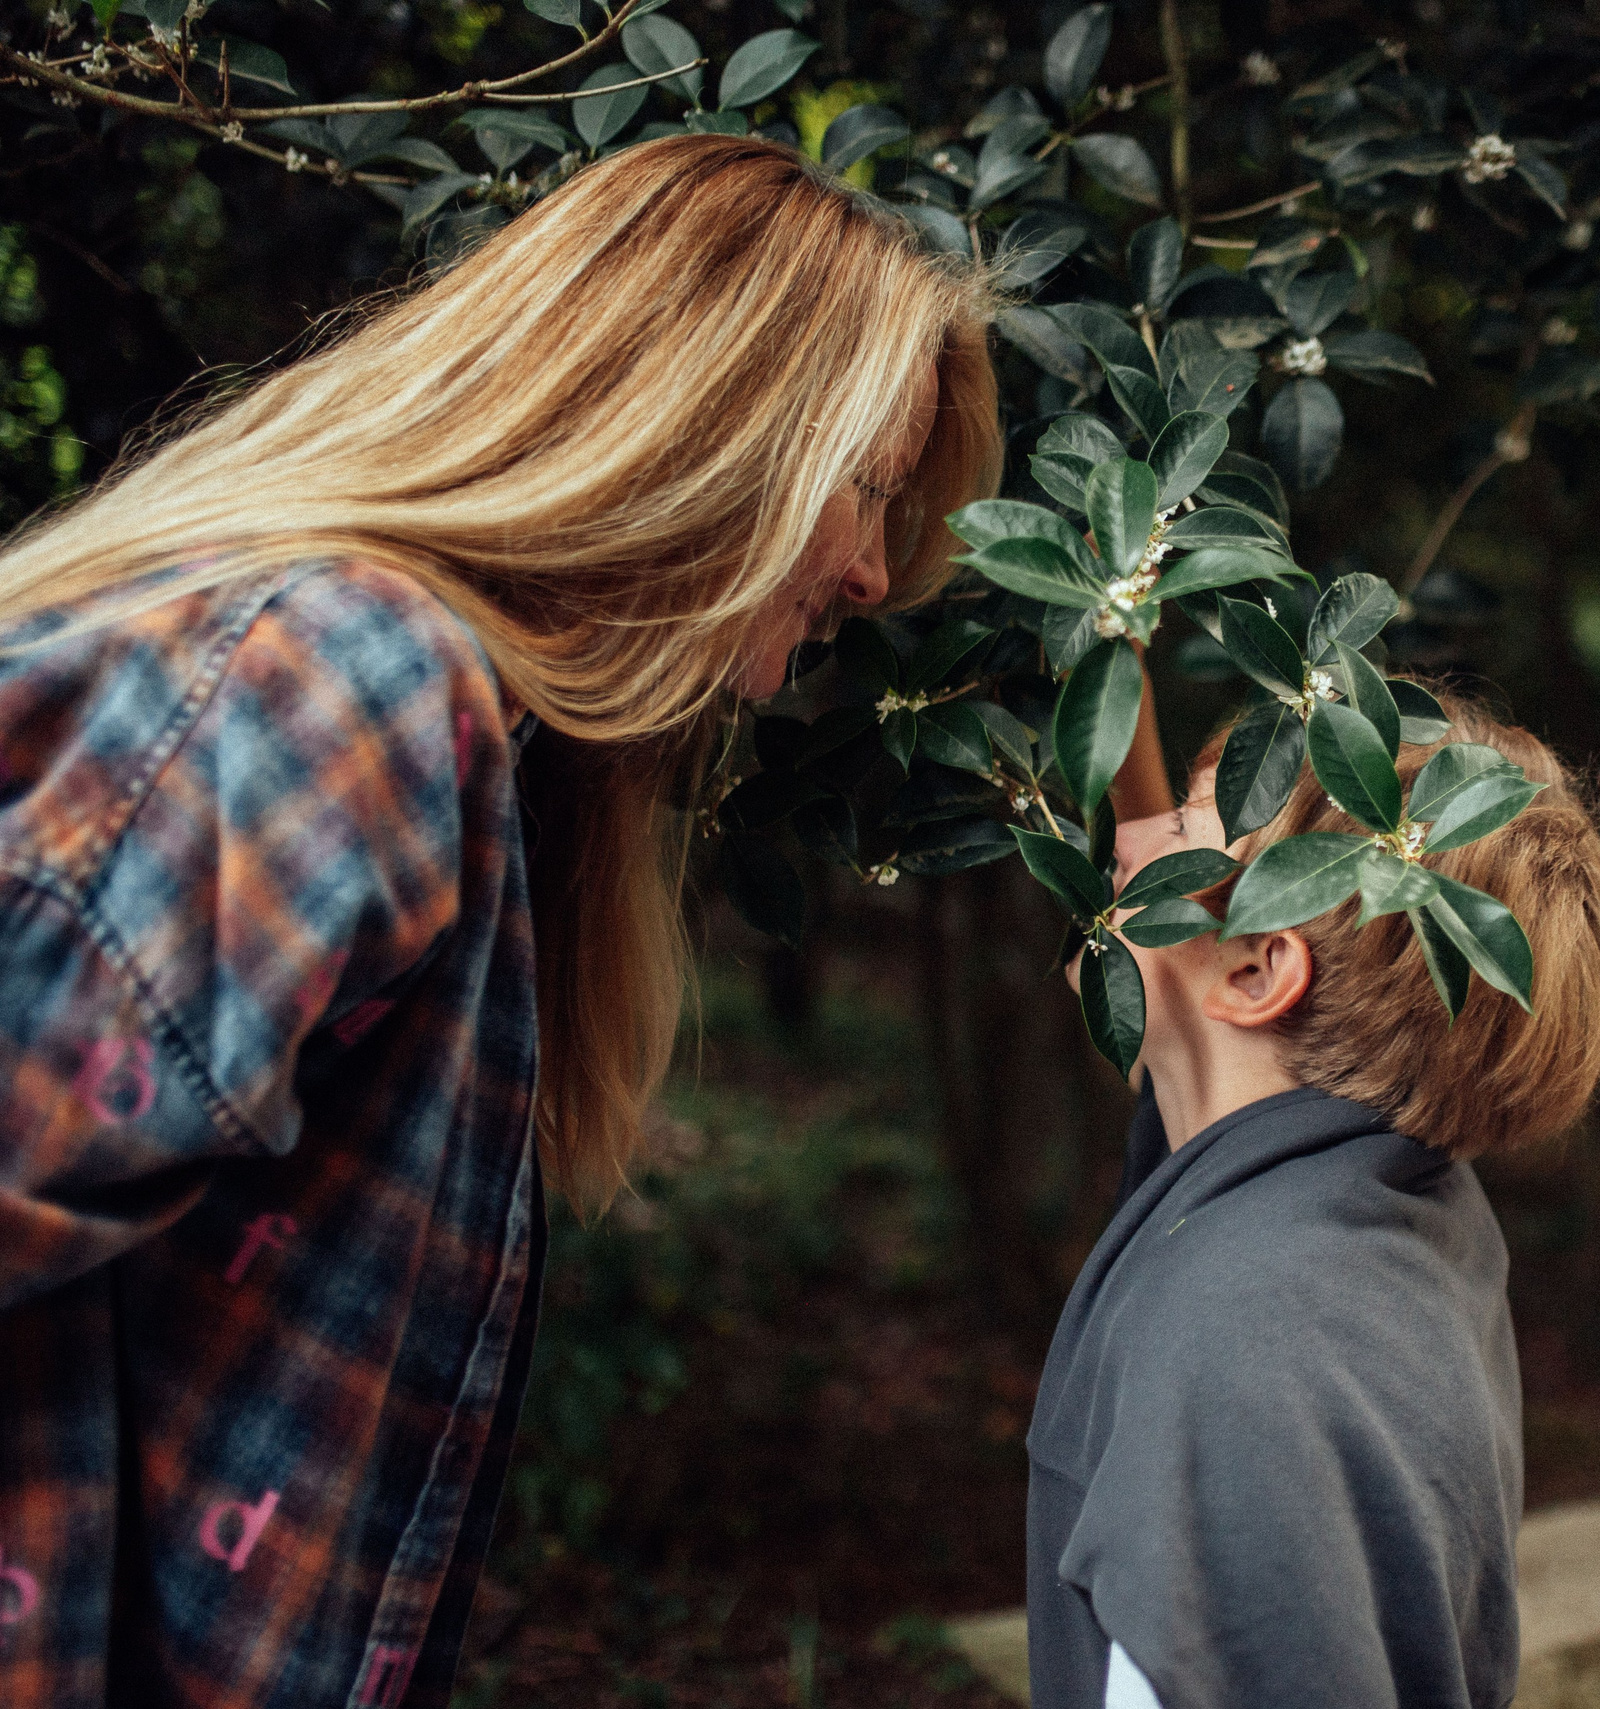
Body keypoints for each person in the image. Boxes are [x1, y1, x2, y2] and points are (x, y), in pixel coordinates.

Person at [0, 135, 998, 1707]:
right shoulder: (351, 680)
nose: (874, 572)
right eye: (869, 489)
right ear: (706, 424)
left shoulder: (455, 732)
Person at [1027, 687, 1600, 1709]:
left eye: (1186, 823)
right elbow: (1142, 856)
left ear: (1260, 967)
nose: (1127, 846)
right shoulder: (1410, 1213)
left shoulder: (1239, 1362)